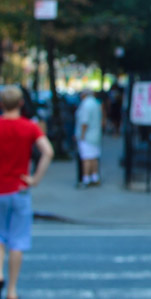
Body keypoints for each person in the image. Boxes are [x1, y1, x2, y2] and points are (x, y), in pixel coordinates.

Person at [0, 85, 54, 299]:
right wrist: (35, 179)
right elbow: (48, 152)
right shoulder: (30, 127)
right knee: (17, 241)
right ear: (21, 103)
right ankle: (12, 290)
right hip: (20, 189)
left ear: (1, 104)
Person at [75, 89, 102, 187]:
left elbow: (84, 122)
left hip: (87, 135)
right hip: (95, 135)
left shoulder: (86, 104)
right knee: (94, 157)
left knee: (86, 158)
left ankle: (86, 179)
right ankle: (95, 177)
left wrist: (81, 135)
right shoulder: (96, 103)